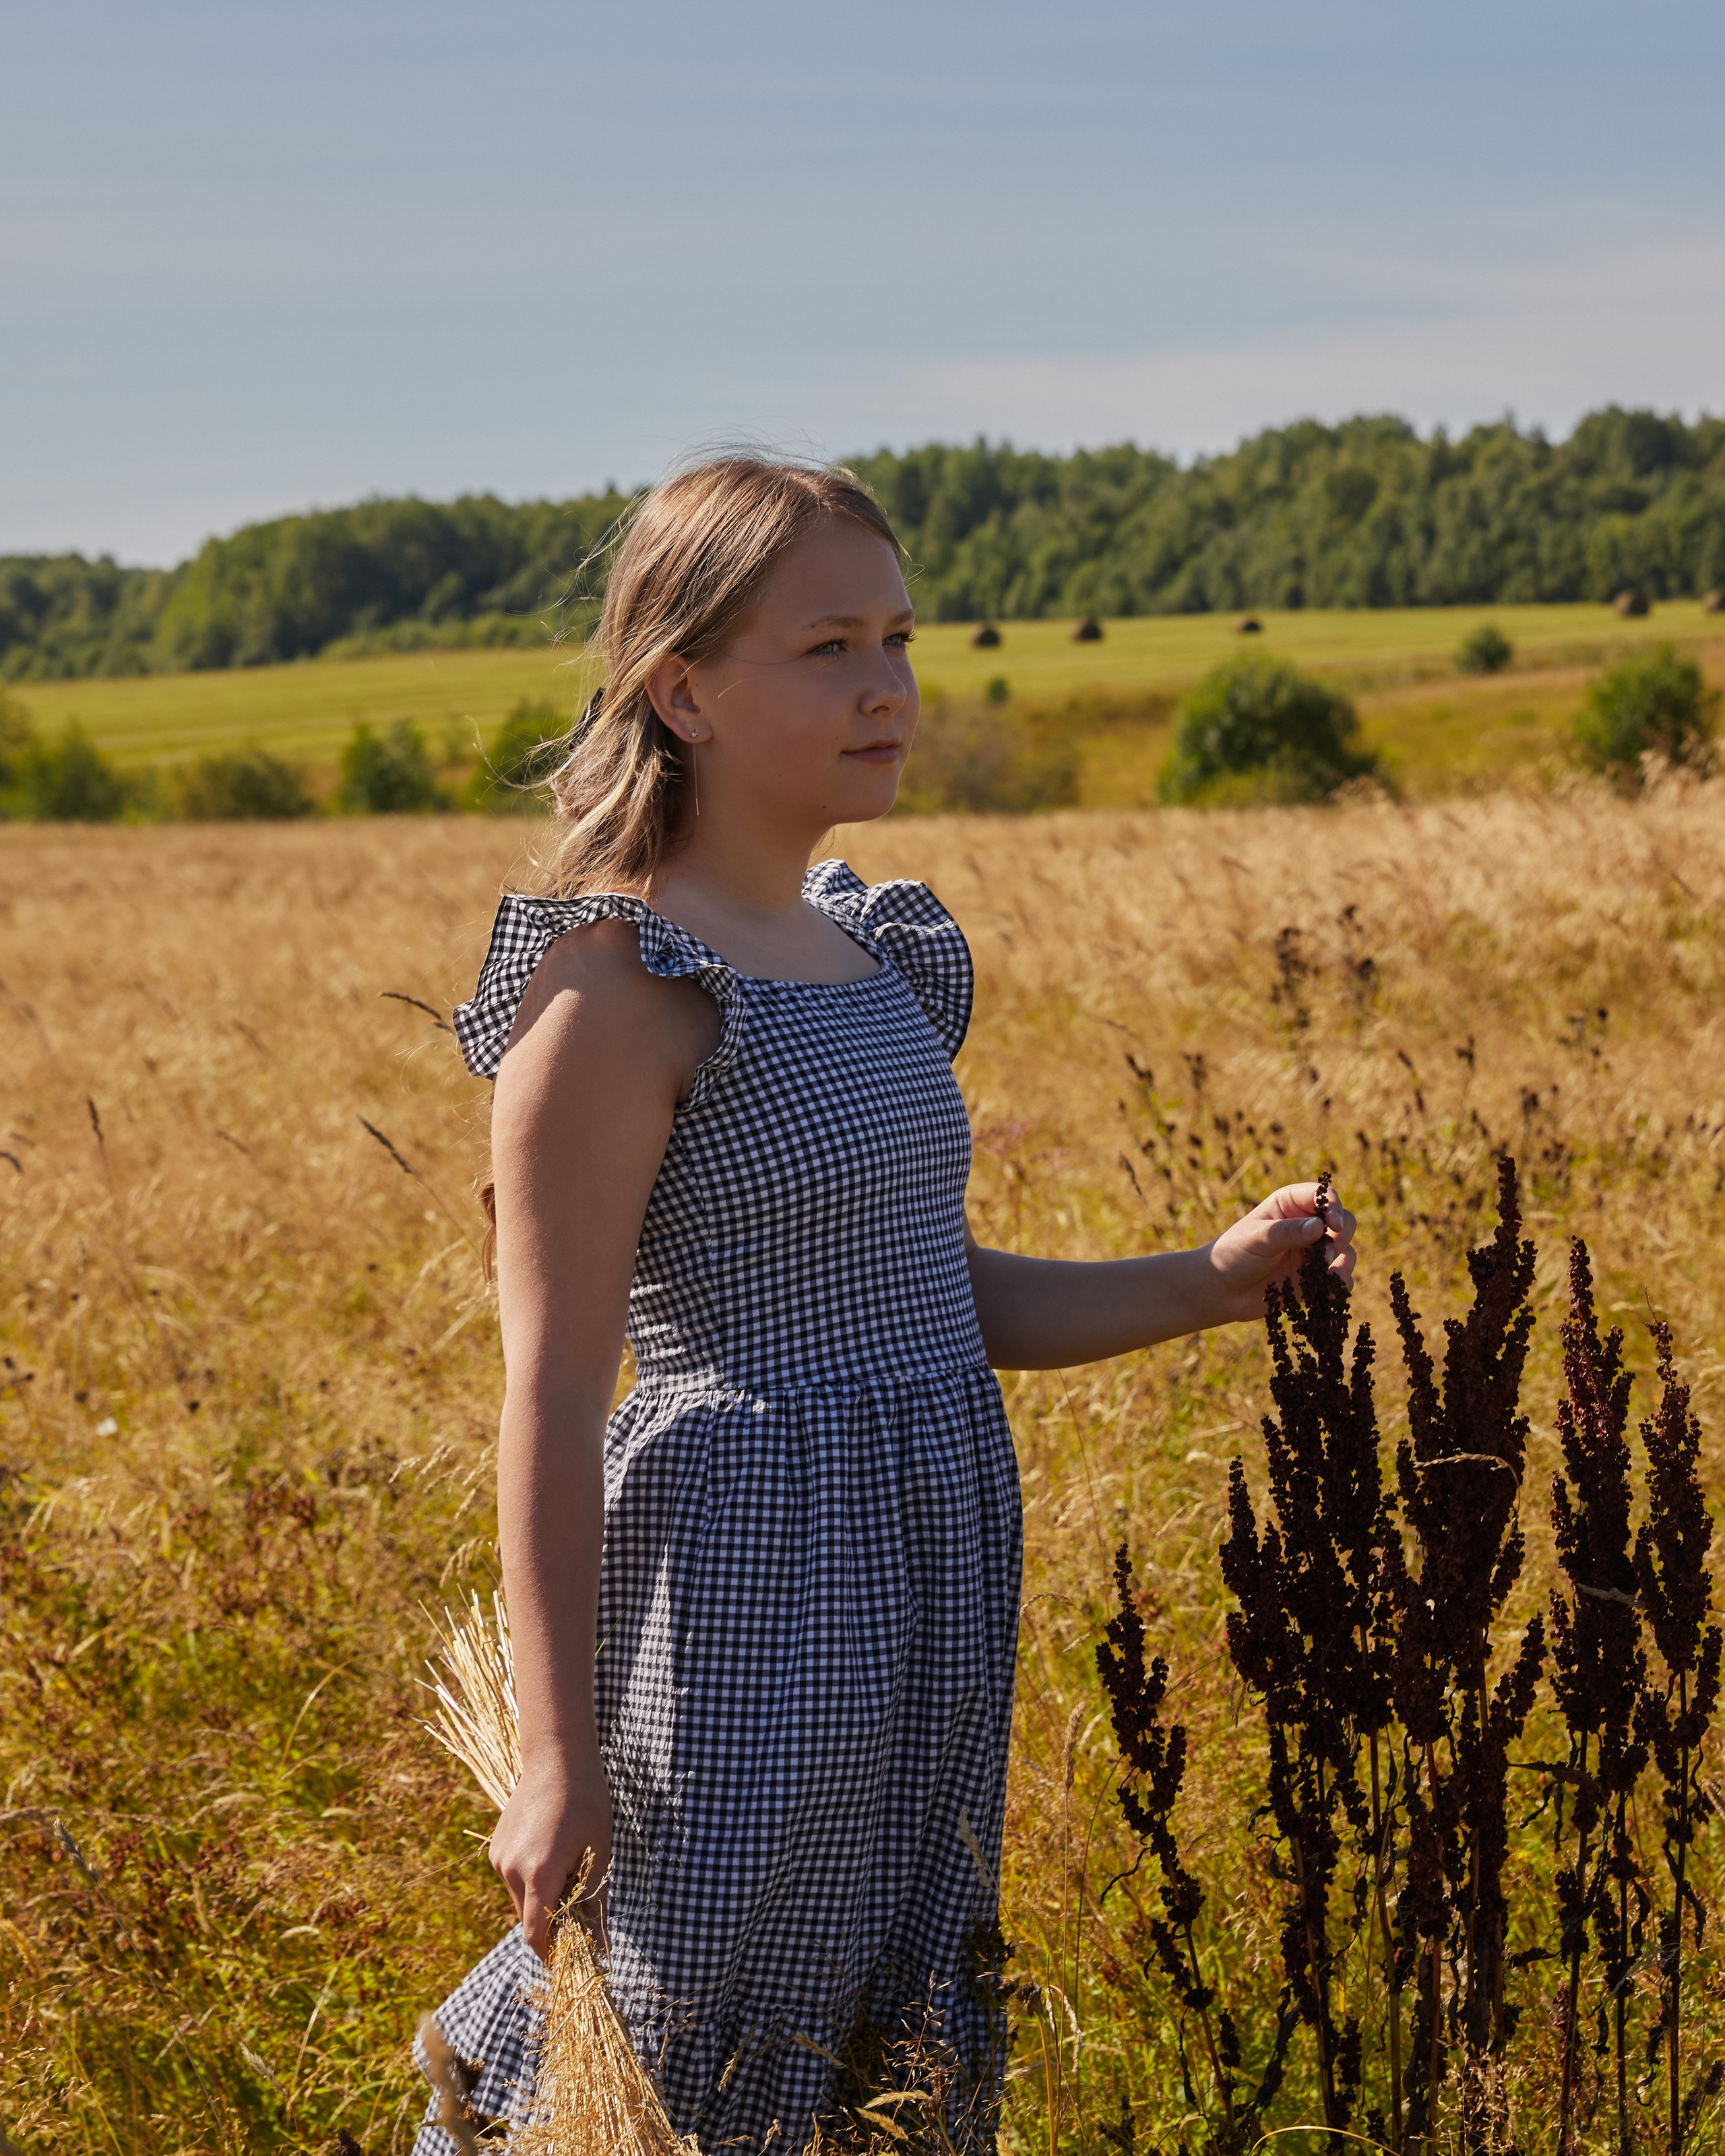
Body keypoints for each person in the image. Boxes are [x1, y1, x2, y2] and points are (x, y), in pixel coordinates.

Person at [414, 453, 1357, 2154]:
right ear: (679, 689)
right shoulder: (617, 991)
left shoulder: (870, 951)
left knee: (878, 2024)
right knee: (682, 2008)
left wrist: (1207, 1287)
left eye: (898, 639)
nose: (886, 688)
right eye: (827, 646)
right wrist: (555, 1758)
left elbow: (926, 1297)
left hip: (924, 1561)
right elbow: (549, 1395)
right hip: (743, 1581)